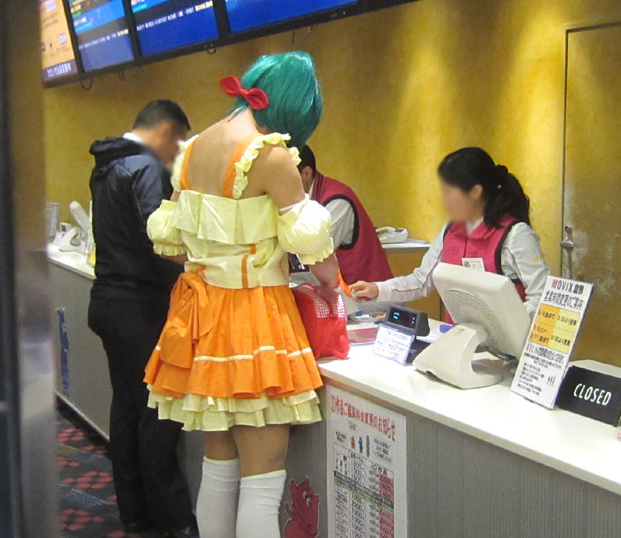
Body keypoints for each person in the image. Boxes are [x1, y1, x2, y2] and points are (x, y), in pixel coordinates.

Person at [144, 52, 339, 538]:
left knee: (218, 465)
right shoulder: (270, 154)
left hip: (201, 317)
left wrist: (215, 262)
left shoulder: (194, 149)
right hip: (256, 318)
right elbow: (317, 256)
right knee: (263, 477)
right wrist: (333, 281)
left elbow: (171, 244)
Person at [87, 100, 196, 536]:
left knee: (128, 409)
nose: (177, 156)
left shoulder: (107, 163)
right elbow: (162, 242)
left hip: (109, 300)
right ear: (167, 132)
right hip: (140, 308)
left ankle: (135, 512)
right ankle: (173, 520)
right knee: (158, 414)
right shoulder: (147, 167)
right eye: (179, 144)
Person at [350, 147, 550, 318]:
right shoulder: (451, 229)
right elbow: (422, 281)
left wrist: (508, 324)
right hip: (459, 337)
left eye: (449, 191)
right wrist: (378, 289)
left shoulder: (516, 235)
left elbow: (542, 297)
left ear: (475, 192)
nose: (444, 199)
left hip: (505, 344)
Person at [297, 145, 393, 284]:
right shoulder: (297, 200)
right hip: (337, 289)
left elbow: (313, 255)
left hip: (365, 291)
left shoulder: (337, 200)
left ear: (306, 173)